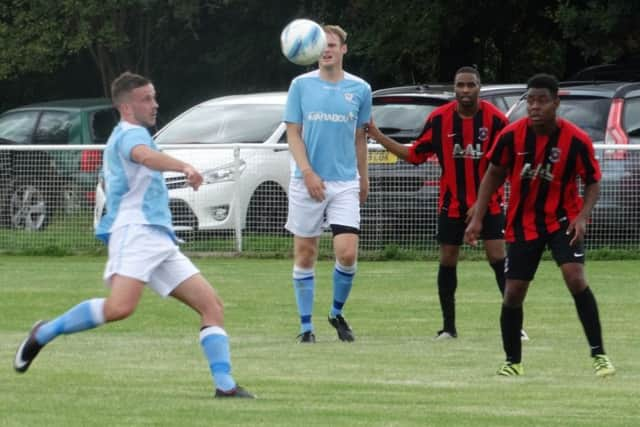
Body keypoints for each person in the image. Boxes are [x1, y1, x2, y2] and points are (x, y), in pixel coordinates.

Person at [13, 71, 254, 398]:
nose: (154, 104)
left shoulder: (138, 132)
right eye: (146, 99)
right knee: (119, 308)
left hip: (159, 237)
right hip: (135, 233)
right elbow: (145, 157)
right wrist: (182, 166)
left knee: (212, 306)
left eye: (154, 97)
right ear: (126, 107)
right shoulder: (128, 135)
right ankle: (44, 332)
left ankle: (225, 386)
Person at [464, 73, 615, 377]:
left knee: (575, 278)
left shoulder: (575, 140)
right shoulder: (511, 136)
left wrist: (582, 215)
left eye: (541, 101)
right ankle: (512, 362)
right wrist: (478, 216)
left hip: (563, 221)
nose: (534, 107)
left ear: (556, 103)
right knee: (514, 292)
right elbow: (493, 174)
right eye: (530, 100)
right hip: (522, 223)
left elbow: (593, 181)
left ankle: (599, 355)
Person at [367, 66, 526, 340]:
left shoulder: (497, 121)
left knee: (498, 258)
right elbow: (415, 155)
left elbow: (508, 166)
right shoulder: (439, 119)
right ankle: (448, 328)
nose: (465, 90)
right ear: (455, 88)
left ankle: (515, 325)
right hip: (451, 204)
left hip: (488, 204)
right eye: (460, 85)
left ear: (479, 87)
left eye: (471, 85)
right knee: (448, 260)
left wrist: (482, 200)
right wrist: (378, 136)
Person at [284, 25, 371, 343]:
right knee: (305, 254)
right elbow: (293, 132)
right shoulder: (300, 85)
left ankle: (336, 312)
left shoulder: (360, 89)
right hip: (306, 181)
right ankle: (306, 327)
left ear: (343, 49)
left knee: (347, 253)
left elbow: (361, 137)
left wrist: (363, 177)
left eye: (332, 45)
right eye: (322, 46)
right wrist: (307, 172)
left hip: (345, 181)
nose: (326, 50)